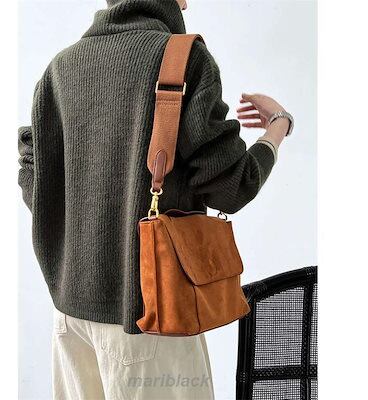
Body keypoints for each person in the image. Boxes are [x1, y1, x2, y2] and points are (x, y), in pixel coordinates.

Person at [18, 0, 293, 398]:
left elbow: (34, 178)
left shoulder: (59, 68)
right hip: (149, 319)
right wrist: (277, 127)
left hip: (70, 320)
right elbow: (233, 187)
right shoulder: (182, 58)